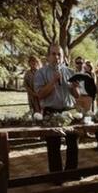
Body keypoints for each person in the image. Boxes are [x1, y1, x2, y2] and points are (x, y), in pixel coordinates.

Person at [34, 44, 80, 173]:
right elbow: (40, 94)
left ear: (63, 56)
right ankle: (56, 175)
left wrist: (74, 88)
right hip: (51, 112)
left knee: (73, 143)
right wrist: (53, 81)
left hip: (69, 112)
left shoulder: (70, 72)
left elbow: (77, 95)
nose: (56, 57)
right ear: (48, 56)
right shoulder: (41, 73)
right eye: (53, 54)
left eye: (59, 54)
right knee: (53, 145)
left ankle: (71, 172)